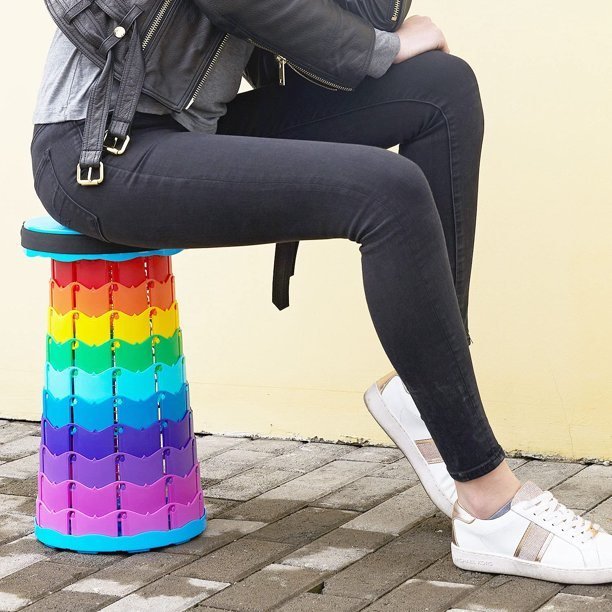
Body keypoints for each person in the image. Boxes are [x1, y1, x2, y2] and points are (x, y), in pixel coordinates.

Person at [30, 3, 611, 585]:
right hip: (103, 144)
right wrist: (382, 50)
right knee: (387, 191)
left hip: (193, 126)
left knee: (442, 89)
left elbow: (369, 14)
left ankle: (429, 394)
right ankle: (488, 502)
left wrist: (384, 40)